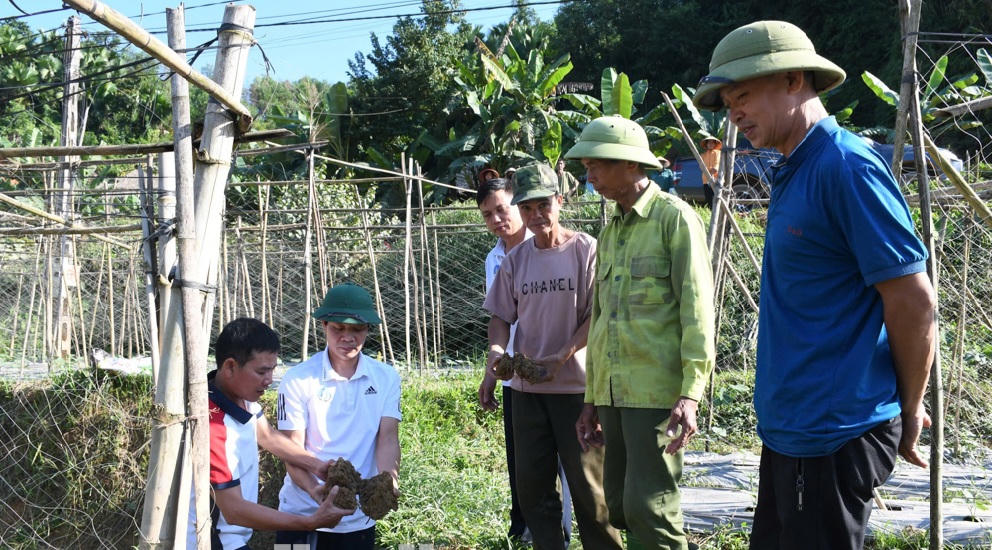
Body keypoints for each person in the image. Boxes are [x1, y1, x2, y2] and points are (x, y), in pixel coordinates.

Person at [693, 20, 936, 550]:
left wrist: (911, 405)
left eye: (745, 94)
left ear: (794, 81)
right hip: (793, 430)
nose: (733, 112)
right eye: (728, 100)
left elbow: (912, 299)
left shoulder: (844, 166)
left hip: (834, 430)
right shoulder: (792, 169)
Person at [565, 115, 715, 550]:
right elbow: (601, 320)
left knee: (651, 506)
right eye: (587, 167)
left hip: (656, 396)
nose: (588, 176)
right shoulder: (611, 230)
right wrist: (592, 398)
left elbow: (697, 310)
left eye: (597, 165)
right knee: (620, 505)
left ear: (632, 165)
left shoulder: (675, 219)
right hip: (613, 394)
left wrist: (690, 392)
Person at [484, 162, 622, 550]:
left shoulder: (586, 250)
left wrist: (562, 355)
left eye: (543, 205)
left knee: (590, 492)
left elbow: (598, 314)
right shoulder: (516, 260)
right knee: (533, 490)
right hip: (527, 392)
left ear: (560, 201)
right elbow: (500, 317)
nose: (535, 215)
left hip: (578, 392)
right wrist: (495, 356)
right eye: (526, 208)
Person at [187, 317, 354, 550]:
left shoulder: (243, 398)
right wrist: (309, 523)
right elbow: (234, 510)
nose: (269, 380)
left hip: (233, 540)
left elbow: (266, 435)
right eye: (262, 371)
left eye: (273, 370)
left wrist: (317, 466)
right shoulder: (213, 426)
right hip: (213, 543)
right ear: (230, 367)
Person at [475, 177, 573, 544]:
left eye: (502, 209)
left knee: (569, 464)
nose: (497, 219)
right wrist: (494, 366)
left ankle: (563, 530)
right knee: (524, 460)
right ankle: (525, 527)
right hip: (516, 373)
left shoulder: (552, 246)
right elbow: (500, 317)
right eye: (488, 215)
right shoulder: (495, 258)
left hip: (561, 372)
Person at [275, 283, 402, 549]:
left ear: (368, 328)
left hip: (358, 519)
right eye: (338, 329)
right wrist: (316, 491)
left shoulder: (386, 377)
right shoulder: (298, 379)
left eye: (357, 329)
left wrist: (388, 481)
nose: (348, 337)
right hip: (299, 515)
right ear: (323, 326)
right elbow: (291, 450)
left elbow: (388, 439)